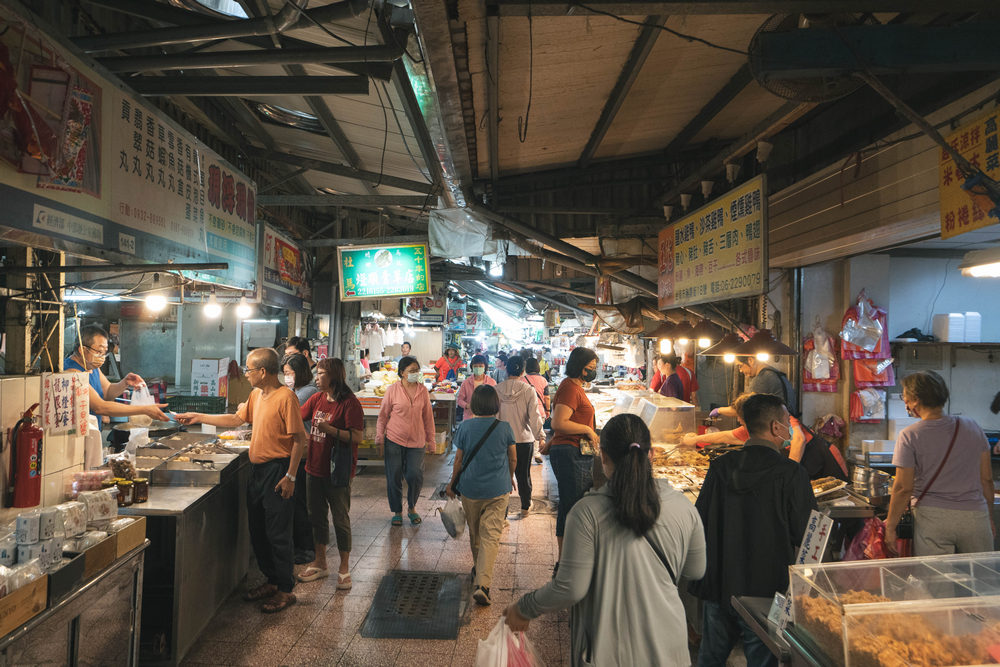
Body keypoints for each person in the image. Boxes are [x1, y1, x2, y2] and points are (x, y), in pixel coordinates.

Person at [505, 413, 706, 666]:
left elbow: (570, 587)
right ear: (652, 454)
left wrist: (524, 608)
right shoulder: (684, 507)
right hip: (670, 650)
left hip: (608, 651)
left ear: (603, 457)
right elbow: (696, 570)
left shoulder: (586, 513)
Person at [176, 348, 306, 613]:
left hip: (278, 470)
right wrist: (199, 417)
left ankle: (285, 589)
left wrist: (290, 476)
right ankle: (271, 580)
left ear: (262, 372)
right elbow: (237, 419)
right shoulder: (256, 395)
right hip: (257, 471)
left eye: (248, 369)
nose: (245, 374)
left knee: (277, 533)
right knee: (258, 530)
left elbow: (299, 440)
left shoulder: (286, 398)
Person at [691, 393, 816, 667]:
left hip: (721, 586)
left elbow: (699, 521)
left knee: (709, 660)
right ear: (775, 427)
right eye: (786, 422)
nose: (789, 428)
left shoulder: (720, 467)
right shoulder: (791, 474)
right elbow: (807, 535)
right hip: (767, 593)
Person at [885, 371, 995, 556]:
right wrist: (989, 516)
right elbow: (987, 479)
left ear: (915, 400)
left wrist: (890, 526)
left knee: (936, 581)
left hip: (933, 519)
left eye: (905, 396)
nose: (905, 401)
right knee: (983, 581)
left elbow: (903, 488)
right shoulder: (973, 427)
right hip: (975, 517)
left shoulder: (910, 435)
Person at [445, 385, 517, 607]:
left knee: (476, 535)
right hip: (498, 491)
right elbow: (513, 458)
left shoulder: (465, 427)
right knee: (491, 536)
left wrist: (451, 483)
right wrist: (509, 476)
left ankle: (481, 575)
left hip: (471, 489)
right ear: (496, 404)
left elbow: (458, 460)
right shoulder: (505, 428)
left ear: (474, 404)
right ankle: (483, 583)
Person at [297, 358, 364, 589]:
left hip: (337, 471)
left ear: (334, 377)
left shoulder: (350, 404)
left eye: (322, 373)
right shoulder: (316, 398)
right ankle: (320, 562)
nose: (317, 377)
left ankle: (344, 568)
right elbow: (298, 416)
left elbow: (356, 438)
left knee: (340, 518)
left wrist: (331, 431)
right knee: (316, 516)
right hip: (313, 467)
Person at [546, 346, 600, 563]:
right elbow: (559, 422)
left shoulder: (575, 387)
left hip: (572, 451)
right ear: (579, 367)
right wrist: (587, 430)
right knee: (572, 506)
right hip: (571, 454)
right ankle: (565, 561)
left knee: (571, 505)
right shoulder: (570, 387)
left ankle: (567, 559)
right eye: (590, 368)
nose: (593, 372)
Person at [64, 324, 169, 421]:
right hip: (75, 437)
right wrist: (144, 410)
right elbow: (100, 407)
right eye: (99, 351)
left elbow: (107, 392)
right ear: (83, 350)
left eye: (104, 352)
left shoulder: (91, 366)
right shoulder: (71, 372)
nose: (102, 357)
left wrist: (124, 383)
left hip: (92, 433)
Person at [375, 356, 435, 526]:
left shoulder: (423, 391)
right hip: (394, 439)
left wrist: (432, 441)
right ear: (402, 373)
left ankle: (412, 507)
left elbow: (428, 418)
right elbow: (383, 416)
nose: (416, 374)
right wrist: (380, 436)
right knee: (393, 476)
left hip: (417, 442)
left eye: (417, 370)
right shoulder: (392, 390)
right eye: (412, 371)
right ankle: (397, 511)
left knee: (415, 475)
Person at [281, 353, 319, 564]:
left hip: (303, 455)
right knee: (297, 503)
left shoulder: (305, 393)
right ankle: (302, 546)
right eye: (285, 373)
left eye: (289, 373)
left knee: (300, 504)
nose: (286, 377)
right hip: (298, 453)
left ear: (301, 372)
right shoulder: (295, 391)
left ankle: (306, 549)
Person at [497, 356, 543, 518]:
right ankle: (525, 505)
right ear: (523, 371)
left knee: (502, 474)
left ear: (506, 369)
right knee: (523, 474)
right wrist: (541, 436)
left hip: (502, 441)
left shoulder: (497, 389)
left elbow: (494, 417)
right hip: (524, 440)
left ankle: (502, 510)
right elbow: (534, 416)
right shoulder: (528, 390)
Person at [713, 357, 793, 419]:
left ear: (750, 360)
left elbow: (743, 409)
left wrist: (719, 410)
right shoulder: (775, 374)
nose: (740, 370)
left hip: (778, 428)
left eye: (740, 366)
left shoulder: (762, 378)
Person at [456, 354, 496, 422]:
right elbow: (459, 400)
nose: (478, 368)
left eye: (480, 366)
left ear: (485, 367)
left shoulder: (492, 382)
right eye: (475, 366)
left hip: (487, 419)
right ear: (472, 367)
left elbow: (496, 401)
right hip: (469, 418)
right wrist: (467, 406)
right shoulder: (466, 383)